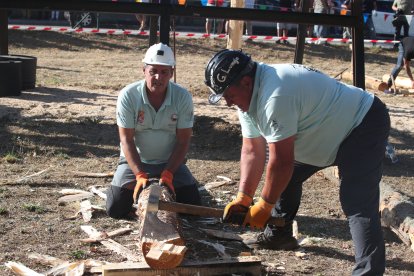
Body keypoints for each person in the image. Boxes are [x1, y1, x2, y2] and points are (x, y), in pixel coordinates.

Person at [204, 49, 389, 275]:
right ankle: (280, 236)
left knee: (357, 201)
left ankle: (369, 272)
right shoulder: (248, 93)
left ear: (244, 81)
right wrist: (244, 198)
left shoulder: (275, 95)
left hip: (362, 123)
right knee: (286, 180)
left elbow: (281, 162)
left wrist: (265, 205)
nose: (227, 102)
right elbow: (252, 150)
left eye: (228, 95)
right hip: (324, 130)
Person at [106, 43, 201, 219]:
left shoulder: (183, 97)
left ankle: (166, 182)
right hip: (136, 161)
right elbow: (126, 140)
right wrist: (140, 174)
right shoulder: (128, 95)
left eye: (164, 72)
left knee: (193, 207)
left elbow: (183, 141)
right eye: (153, 71)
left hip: (169, 161)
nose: (158, 77)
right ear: (144, 71)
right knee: (115, 209)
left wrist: (169, 173)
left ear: (171, 73)